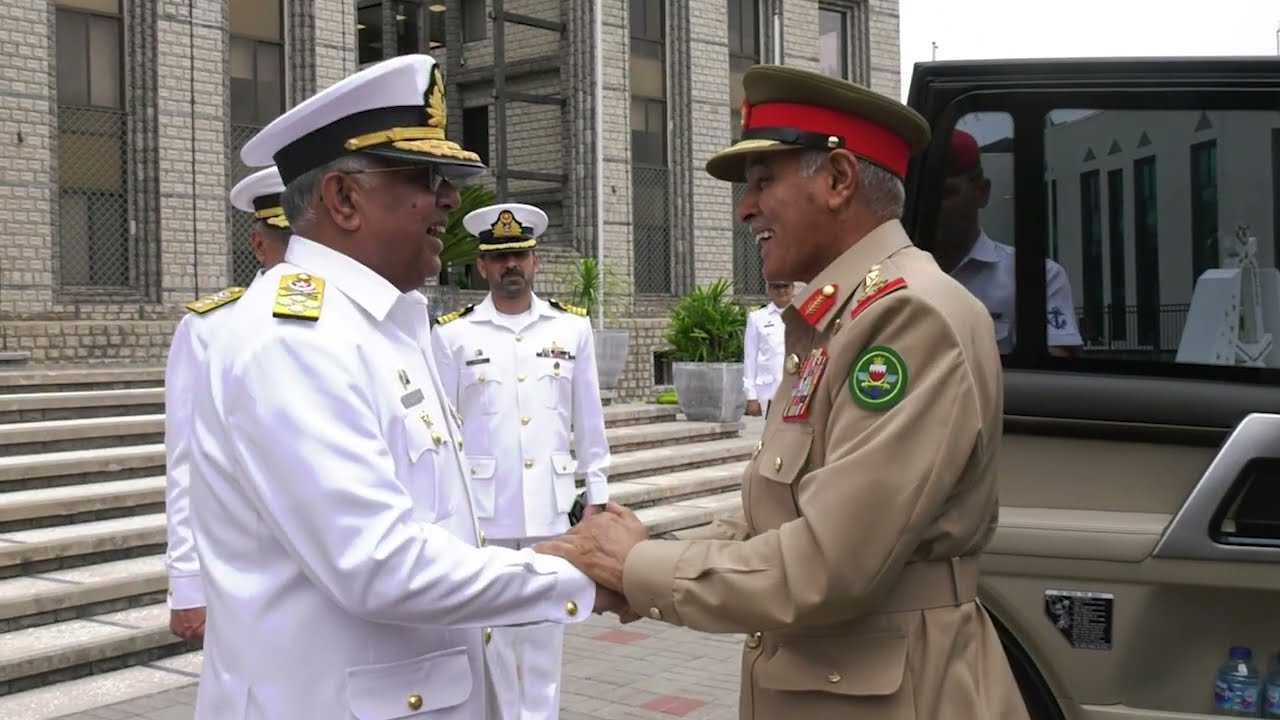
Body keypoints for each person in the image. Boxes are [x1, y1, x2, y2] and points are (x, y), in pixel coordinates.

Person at [538, 64, 1031, 719]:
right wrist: (647, 554)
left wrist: (640, 570)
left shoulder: (907, 318)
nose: (745, 208)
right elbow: (773, 513)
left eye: (764, 181)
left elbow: (830, 564)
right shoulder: (842, 318)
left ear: (837, 179)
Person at [186, 54, 626, 720]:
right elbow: (377, 563)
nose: (450, 198)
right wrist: (582, 569)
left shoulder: (388, 323)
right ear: (343, 198)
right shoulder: (293, 341)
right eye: (425, 177)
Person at [431, 202, 611, 720]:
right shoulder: (453, 335)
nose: (511, 265)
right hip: (483, 514)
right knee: (489, 640)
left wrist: (596, 494)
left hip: (549, 511)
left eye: (520, 255)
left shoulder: (570, 329)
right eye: (499, 256)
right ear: (482, 266)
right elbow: (441, 433)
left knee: (543, 641)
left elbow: (589, 418)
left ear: (535, 262)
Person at [162, 165, 290, 646]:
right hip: (247, 561)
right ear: (260, 245)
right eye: (287, 240)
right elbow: (187, 465)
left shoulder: (365, 319)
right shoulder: (211, 328)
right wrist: (187, 581)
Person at [935, 129, 1083, 356]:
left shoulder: (1037, 276)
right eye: (923, 196)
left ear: (982, 192)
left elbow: (1054, 371)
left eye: (945, 194)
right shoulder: (887, 273)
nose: (933, 207)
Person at [743, 280, 793, 417]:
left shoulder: (804, 313)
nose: (781, 291)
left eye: (785, 286)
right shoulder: (757, 318)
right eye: (776, 287)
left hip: (798, 388)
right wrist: (751, 396)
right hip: (770, 390)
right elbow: (750, 358)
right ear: (769, 290)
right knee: (771, 435)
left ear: (793, 288)